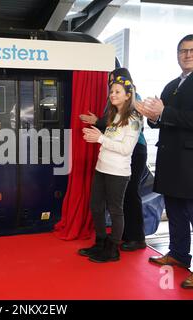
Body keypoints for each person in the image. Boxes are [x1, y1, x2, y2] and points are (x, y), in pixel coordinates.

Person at [135, 34, 193, 289]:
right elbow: (163, 120)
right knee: (175, 211)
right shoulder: (171, 85)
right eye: (183, 51)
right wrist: (151, 116)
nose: (187, 55)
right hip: (171, 160)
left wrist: (164, 112)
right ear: (177, 55)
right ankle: (178, 253)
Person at [79, 68, 148, 252]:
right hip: (106, 163)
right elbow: (111, 131)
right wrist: (97, 126)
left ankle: (132, 239)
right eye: (111, 89)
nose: (112, 93)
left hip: (128, 159)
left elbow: (126, 145)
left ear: (128, 92)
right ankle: (107, 241)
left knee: (127, 199)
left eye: (117, 89)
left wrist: (100, 138)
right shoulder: (113, 113)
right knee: (101, 205)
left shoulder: (133, 114)